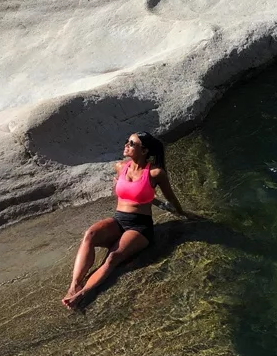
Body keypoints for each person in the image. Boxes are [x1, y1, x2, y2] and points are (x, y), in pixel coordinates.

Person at [62, 131, 188, 308]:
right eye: (126, 141)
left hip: (139, 227)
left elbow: (171, 198)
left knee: (113, 257)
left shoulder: (155, 173)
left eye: (131, 143)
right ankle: (74, 284)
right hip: (119, 219)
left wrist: (183, 213)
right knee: (89, 234)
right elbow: (128, 192)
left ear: (144, 151)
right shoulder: (120, 167)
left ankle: (83, 293)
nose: (126, 145)